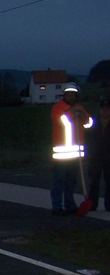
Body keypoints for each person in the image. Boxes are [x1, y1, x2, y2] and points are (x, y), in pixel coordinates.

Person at [49, 82, 93, 215]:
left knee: (71, 182)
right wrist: (73, 113)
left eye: (73, 95)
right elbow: (63, 122)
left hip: (75, 154)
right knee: (59, 181)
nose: (71, 97)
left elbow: (89, 124)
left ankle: (70, 205)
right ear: (64, 95)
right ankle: (57, 207)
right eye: (69, 94)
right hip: (62, 154)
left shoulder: (80, 108)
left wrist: (83, 116)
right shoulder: (57, 108)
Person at [87, 97, 110, 211]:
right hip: (95, 156)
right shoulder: (93, 122)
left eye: (107, 108)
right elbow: (86, 135)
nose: (105, 111)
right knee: (93, 182)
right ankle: (92, 204)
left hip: (109, 157)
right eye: (103, 108)